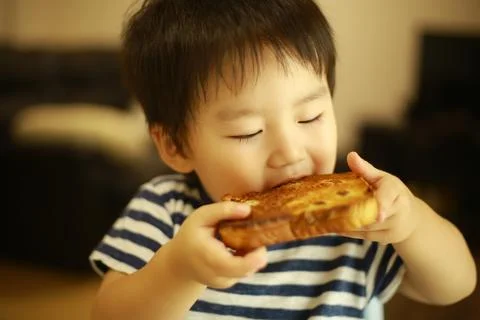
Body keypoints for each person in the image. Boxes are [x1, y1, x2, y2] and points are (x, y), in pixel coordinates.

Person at [89, 0, 477, 319]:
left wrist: (411, 223)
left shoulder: (354, 228)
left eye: (310, 117)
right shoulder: (164, 211)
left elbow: (456, 285)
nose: (290, 153)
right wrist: (179, 271)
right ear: (175, 145)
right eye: (248, 132)